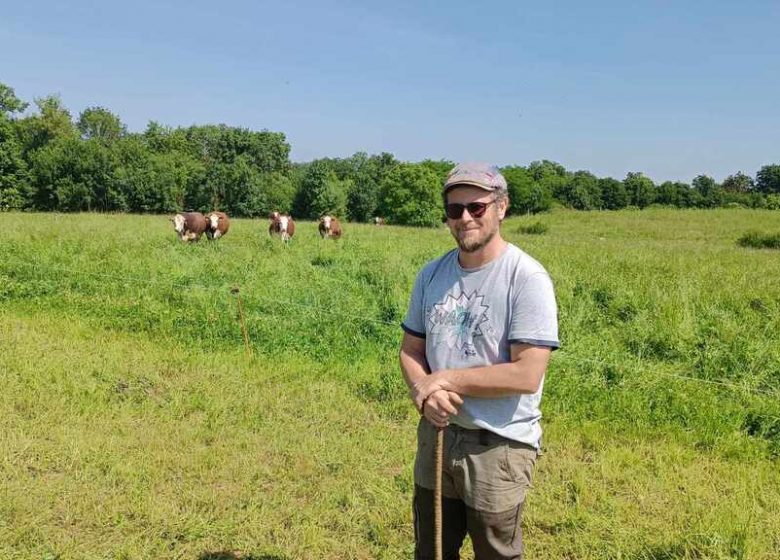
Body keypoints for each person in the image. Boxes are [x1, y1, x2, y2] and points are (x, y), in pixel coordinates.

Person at [399, 162, 559, 559]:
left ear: (501, 208)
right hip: (436, 433)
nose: (465, 217)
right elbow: (411, 350)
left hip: (497, 444)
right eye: (455, 210)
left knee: (494, 552)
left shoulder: (526, 278)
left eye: (477, 207)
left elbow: (527, 373)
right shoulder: (431, 275)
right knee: (431, 547)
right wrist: (423, 391)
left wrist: (446, 380)